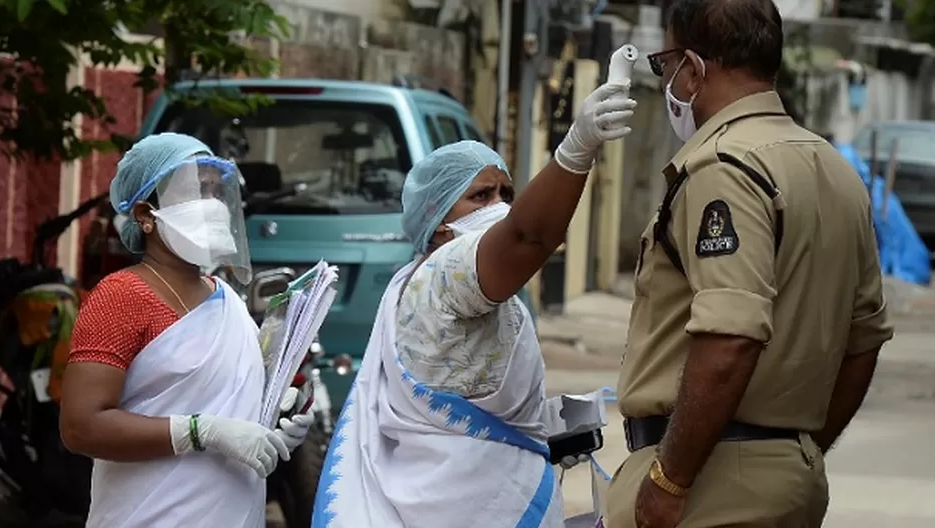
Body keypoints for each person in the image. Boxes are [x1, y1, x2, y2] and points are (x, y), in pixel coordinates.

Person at [605, 1, 895, 527]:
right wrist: (792, 453)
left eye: (664, 64)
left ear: (693, 68)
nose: (667, 79)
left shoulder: (724, 167)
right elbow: (864, 339)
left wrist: (671, 477)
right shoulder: (832, 169)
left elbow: (730, 337)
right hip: (785, 477)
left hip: (706, 485)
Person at [313, 82, 637, 527]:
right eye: (481, 196)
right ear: (439, 221)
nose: (500, 207)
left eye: (506, 193)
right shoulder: (448, 272)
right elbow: (529, 237)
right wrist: (576, 149)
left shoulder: (444, 284)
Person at [59, 133, 314, 527]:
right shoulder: (121, 297)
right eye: (193, 190)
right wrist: (200, 432)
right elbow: (80, 427)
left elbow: (233, 404)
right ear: (145, 215)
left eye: (215, 191)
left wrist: (277, 420)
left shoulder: (226, 298)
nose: (211, 205)